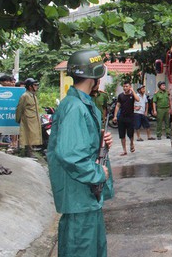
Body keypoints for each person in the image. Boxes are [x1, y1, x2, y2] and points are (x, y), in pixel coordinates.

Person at [48, 49, 114, 257]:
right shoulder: (76, 107)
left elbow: (79, 145)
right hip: (79, 197)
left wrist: (101, 142)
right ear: (95, 77)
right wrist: (98, 173)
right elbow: (70, 154)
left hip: (85, 199)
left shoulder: (83, 104)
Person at [15, 78, 42, 157]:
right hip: (28, 119)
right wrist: (18, 118)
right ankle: (28, 151)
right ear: (30, 87)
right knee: (28, 135)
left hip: (34, 119)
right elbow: (19, 108)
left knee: (33, 135)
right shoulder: (25, 96)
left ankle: (31, 150)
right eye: (35, 85)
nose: (36, 87)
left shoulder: (33, 96)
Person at [113, 81, 140, 156]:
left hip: (130, 117)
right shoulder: (120, 96)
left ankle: (131, 143)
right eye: (124, 86)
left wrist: (133, 91)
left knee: (130, 134)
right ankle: (124, 150)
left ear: (130, 87)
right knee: (122, 135)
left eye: (126, 86)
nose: (125, 88)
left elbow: (138, 99)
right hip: (122, 117)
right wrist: (115, 116)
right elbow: (118, 106)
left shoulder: (132, 95)